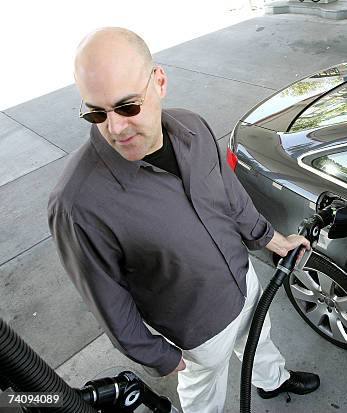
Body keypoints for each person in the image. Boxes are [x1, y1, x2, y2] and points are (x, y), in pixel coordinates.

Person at [47, 27, 319, 413]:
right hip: (197, 330)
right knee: (203, 391)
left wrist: (273, 240)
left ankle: (272, 381)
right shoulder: (76, 204)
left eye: (127, 106)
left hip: (244, 282)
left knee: (260, 339)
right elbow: (107, 300)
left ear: (159, 82)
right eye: (95, 112)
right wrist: (160, 356)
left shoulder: (194, 127)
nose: (116, 128)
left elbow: (230, 195)